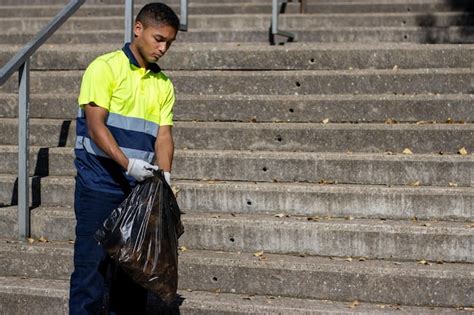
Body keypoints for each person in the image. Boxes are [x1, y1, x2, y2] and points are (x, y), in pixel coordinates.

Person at [69, 3, 179, 314]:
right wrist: (127, 163)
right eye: (159, 39)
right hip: (99, 184)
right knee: (91, 272)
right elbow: (95, 126)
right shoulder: (105, 68)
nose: (163, 48)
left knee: (133, 275)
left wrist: (165, 175)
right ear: (138, 28)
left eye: (169, 43)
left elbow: (164, 136)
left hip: (138, 191)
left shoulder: (164, 84)